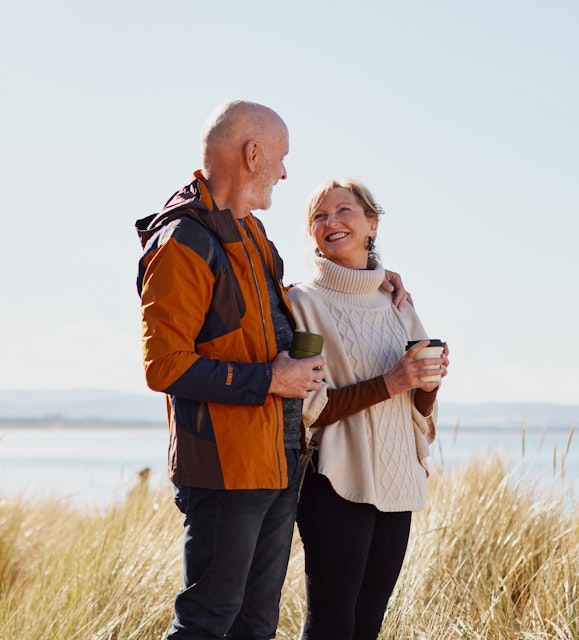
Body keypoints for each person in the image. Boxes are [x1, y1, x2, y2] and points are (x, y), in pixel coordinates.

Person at [135, 101, 408, 640]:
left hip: (279, 464)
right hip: (224, 468)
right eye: (280, 158)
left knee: (255, 626)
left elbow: (283, 319)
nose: (285, 173)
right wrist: (269, 381)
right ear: (252, 153)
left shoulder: (255, 237)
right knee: (205, 624)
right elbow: (164, 366)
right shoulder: (183, 242)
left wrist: (377, 275)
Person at [287, 179, 449, 640]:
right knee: (332, 624)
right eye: (319, 216)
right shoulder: (303, 303)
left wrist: (428, 383)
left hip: (398, 480)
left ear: (371, 224)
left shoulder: (397, 302)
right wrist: (391, 381)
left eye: (344, 211)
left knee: (368, 624)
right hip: (336, 480)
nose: (331, 222)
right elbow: (311, 409)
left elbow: (418, 408)